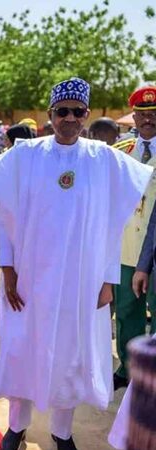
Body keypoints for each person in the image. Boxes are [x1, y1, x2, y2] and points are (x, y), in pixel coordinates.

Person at [0, 77, 153, 450]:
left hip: (80, 284)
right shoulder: (24, 156)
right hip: (29, 282)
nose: (69, 118)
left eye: (77, 111)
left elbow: (112, 225)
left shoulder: (104, 159)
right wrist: (7, 269)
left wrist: (107, 280)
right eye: (62, 111)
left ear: (86, 115)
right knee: (24, 350)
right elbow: (4, 216)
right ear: (50, 114)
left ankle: (61, 432)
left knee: (69, 357)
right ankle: (16, 427)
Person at [111, 85, 156, 391]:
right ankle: (128, 370)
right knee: (127, 313)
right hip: (128, 248)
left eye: (153, 115)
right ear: (134, 117)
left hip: (154, 248)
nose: (147, 120)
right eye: (142, 115)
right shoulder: (123, 151)